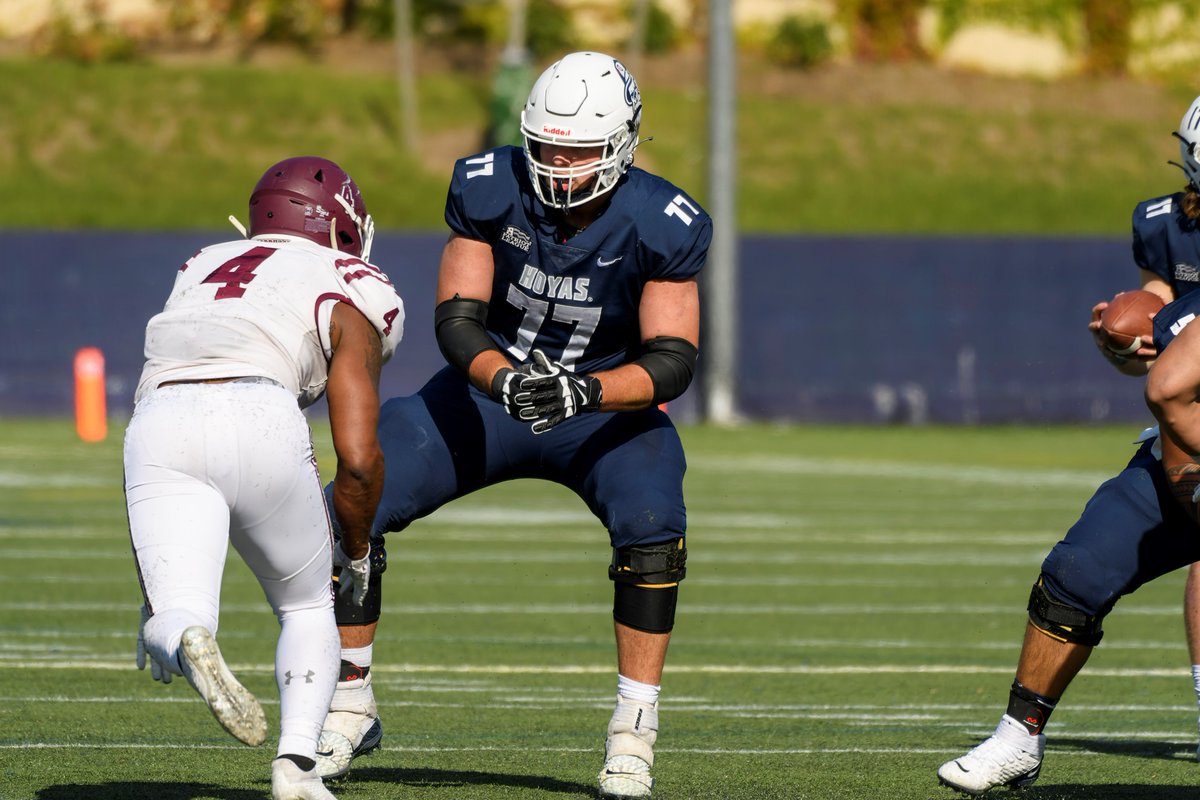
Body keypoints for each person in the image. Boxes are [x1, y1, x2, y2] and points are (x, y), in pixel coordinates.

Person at [313, 51, 710, 800]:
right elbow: (458, 320)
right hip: (490, 395)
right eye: (549, 147)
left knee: (654, 523)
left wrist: (581, 392)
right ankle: (350, 700)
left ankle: (633, 731)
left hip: (601, 412)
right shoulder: (490, 186)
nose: (560, 166)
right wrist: (510, 380)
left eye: (580, 151)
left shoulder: (663, 220)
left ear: (622, 144)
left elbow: (671, 361)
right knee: (355, 493)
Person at [935, 97, 1200, 795]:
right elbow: (1154, 346)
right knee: (1078, 569)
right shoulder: (1169, 225)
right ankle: (1017, 737)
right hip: (1185, 442)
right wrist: (1125, 339)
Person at [125, 156, 404, 800]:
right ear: (339, 226)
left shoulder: (201, 265)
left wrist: (152, 591)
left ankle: (181, 635)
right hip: (259, 409)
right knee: (307, 604)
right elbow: (359, 455)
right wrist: (356, 552)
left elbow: (151, 406)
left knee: (180, 609)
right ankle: (298, 766)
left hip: (159, 421)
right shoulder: (350, 278)